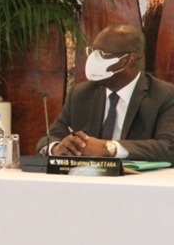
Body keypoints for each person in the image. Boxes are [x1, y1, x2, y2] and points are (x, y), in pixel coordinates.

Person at [36, 23, 174, 162]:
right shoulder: (81, 93)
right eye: (92, 51)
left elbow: (169, 147)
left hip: (139, 176)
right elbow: (48, 139)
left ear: (127, 60)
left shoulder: (164, 96)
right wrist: (57, 148)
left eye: (101, 54)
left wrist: (109, 148)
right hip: (85, 174)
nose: (92, 59)